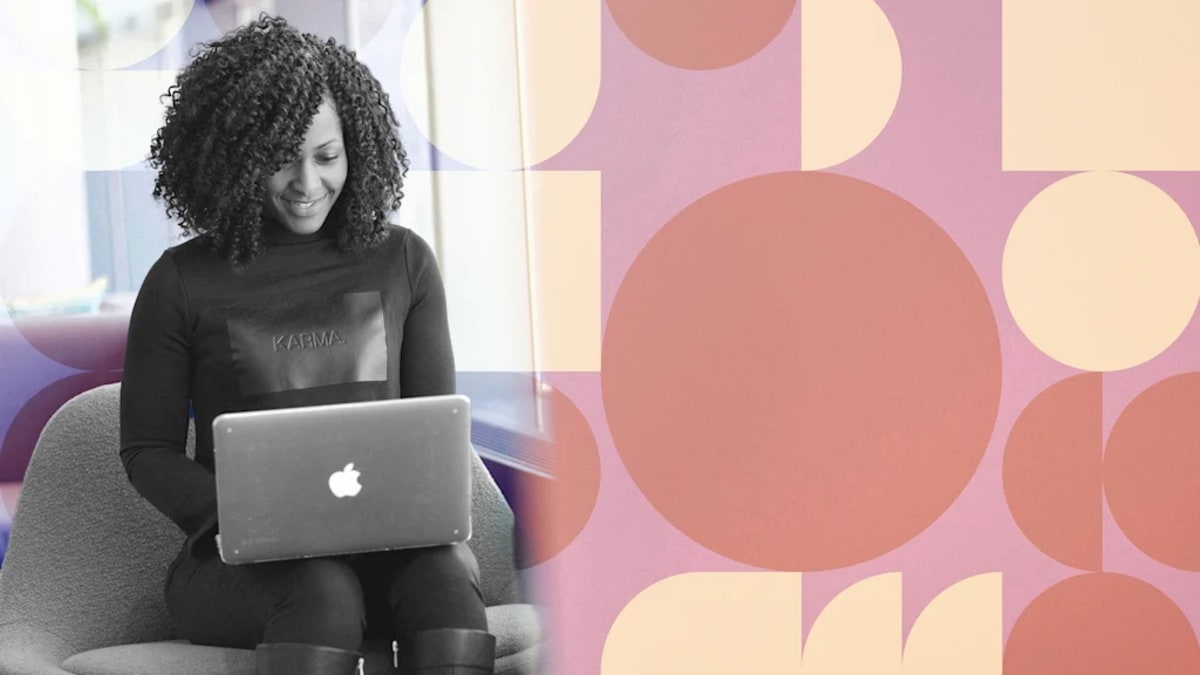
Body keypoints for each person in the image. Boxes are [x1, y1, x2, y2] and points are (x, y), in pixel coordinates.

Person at [119, 15, 495, 675]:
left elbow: (434, 437)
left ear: (357, 146)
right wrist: (245, 514)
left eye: (327, 156)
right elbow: (147, 451)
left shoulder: (404, 262)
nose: (306, 182)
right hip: (244, 568)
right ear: (236, 155)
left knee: (441, 577)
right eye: (279, 157)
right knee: (322, 585)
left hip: (391, 556)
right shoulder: (180, 281)